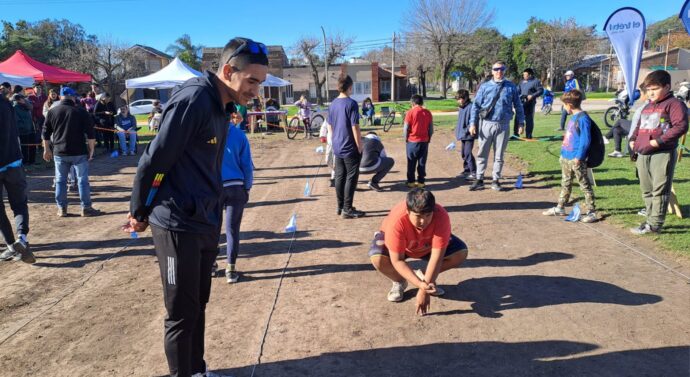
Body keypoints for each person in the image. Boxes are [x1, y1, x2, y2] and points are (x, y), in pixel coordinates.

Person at [126, 37, 268, 377]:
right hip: (176, 222)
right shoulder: (194, 100)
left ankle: (197, 369)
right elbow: (154, 161)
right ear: (228, 71)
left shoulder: (224, 107)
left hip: (205, 219)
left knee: (198, 304)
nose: (256, 91)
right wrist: (139, 211)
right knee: (180, 313)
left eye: (260, 83)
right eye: (252, 81)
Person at [368, 189, 468, 314]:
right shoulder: (397, 221)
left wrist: (425, 286)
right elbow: (397, 260)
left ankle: (424, 275)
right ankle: (399, 281)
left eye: (428, 215)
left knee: (460, 253)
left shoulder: (441, 216)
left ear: (433, 211)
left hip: (426, 246)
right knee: (377, 258)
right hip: (401, 247)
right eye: (418, 216)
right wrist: (422, 286)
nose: (423, 221)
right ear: (408, 212)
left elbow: (437, 257)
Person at [629, 70, 688, 235]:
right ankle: (649, 220)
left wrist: (658, 141)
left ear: (667, 87)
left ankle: (655, 224)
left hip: (662, 153)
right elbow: (639, 127)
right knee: (646, 189)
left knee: (659, 190)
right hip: (643, 153)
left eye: (654, 88)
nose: (651, 92)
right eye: (648, 89)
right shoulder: (648, 106)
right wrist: (633, 140)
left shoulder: (674, 104)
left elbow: (681, 126)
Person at [42, 87, 100, 217]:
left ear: (61, 97)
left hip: (59, 151)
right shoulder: (81, 111)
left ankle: (62, 208)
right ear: (73, 97)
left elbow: (45, 133)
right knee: (82, 180)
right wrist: (91, 149)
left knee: (60, 181)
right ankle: (86, 207)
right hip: (79, 151)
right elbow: (91, 134)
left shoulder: (52, 111)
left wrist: (46, 149)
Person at [542, 89, 597, 223]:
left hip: (576, 159)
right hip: (566, 157)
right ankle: (560, 207)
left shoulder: (583, 119)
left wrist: (578, 158)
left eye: (564, 105)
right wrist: (563, 154)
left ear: (569, 105)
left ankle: (591, 212)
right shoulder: (573, 118)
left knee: (584, 185)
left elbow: (585, 141)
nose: (563, 107)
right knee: (565, 183)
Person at [469, 60, 525, 191]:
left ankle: (496, 179)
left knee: (499, 154)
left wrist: (521, 123)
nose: (499, 71)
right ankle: (479, 179)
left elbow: (518, 106)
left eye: (501, 69)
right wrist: (472, 123)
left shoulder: (511, 87)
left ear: (505, 70)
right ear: (492, 71)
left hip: (503, 124)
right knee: (482, 152)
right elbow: (475, 106)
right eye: (496, 69)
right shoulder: (484, 87)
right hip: (486, 124)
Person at [0, 88, 35, 264]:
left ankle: (11, 245)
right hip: (13, 162)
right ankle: (22, 239)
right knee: (19, 204)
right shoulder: (7, 104)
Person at [221, 111, 253, 284]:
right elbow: (247, 165)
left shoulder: (207, 132)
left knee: (211, 229)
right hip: (236, 187)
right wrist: (247, 187)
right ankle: (230, 269)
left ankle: (210, 264)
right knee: (232, 229)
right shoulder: (239, 135)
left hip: (214, 187)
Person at [327, 74, 365, 219]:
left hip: (337, 145)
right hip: (349, 146)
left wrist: (333, 140)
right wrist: (359, 145)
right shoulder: (351, 103)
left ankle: (340, 206)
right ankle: (347, 209)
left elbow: (330, 125)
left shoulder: (333, 103)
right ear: (350, 87)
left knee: (340, 175)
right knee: (351, 177)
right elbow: (355, 126)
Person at [403, 94, 433, 188]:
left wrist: (406, 139)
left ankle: (411, 182)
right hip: (424, 141)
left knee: (411, 162)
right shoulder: (428, 112)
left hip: (412, 141)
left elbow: (406, 128)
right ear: (422, 102)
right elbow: (431, 129)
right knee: (422, 162)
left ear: (412, 103)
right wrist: (428, 138)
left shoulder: (410, 112)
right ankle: (421, 182)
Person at [515, 68, 544, 139]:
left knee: (529, 119)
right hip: (521, 102)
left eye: (525, 75)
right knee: (517, 118)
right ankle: (515, 135)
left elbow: (541, 90)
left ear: (530, 75)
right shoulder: (522, 82)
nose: (524, 76)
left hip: (530, 103)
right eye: (523, 74)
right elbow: (517, 90)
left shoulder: (535, 81)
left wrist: (532, 96)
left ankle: (528, 135)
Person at [454, 89, 476, 180]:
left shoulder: (471, 107)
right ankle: (466, 170)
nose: (460, 100)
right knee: (463, 153)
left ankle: (473, 172)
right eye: (458, 99)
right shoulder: (461, 107)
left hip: (469, 135)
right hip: (462, 134)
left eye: (462, 98)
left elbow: (472, 122)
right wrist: (458, 131)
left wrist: (465, 130)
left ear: (466, 98)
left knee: (467, 153)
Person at [12, 93, 36, 165]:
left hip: (31, 129)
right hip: (22, 131)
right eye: (23, 98)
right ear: (18, 100)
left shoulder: (26, 106)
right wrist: (23, 127)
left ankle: (32, 161)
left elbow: (31, 110)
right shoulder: (15, 107)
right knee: (24, 147)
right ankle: (25, 161)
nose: (25, 100)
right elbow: (17, 120)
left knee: (32, 146)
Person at [319, 120, 335, 186]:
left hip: (340, 143)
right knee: (328, 160)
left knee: (336, 162)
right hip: (330, 142)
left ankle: (334, 178)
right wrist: (323, 135)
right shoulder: (330, 113)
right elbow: (324, 126)